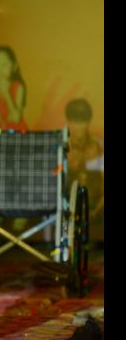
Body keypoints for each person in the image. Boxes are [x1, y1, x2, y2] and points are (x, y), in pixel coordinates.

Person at [65, 98, 104, 243]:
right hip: (68, 206)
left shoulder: (98, 148)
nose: (79, 127)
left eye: (83, 122)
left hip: (96, 207)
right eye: (75, 121)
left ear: (88, 123)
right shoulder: (62, 149)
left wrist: (97, 210)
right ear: (69, 122)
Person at [0, 45, 27, 131]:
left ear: (14, 66)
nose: (1, 69)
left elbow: (16, 118)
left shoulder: (18, 87)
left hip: (16, 131)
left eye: (4, 64)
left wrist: (6, 94)